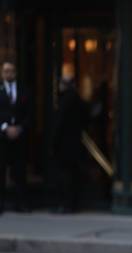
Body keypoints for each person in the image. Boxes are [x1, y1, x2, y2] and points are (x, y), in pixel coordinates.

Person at [53, 74, 89, 213]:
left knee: (66, 175)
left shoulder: (65, 100)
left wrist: (54, 141)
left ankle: (66, 204)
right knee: (73, 174)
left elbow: (59, 123)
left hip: (65, 144)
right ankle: (72, 203)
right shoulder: (78, 99)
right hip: (75, 142)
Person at [0, 61, 31, 214]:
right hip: (2, 136)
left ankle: (20, 203)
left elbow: (29, 113)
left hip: (19, 136)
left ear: (15, 72)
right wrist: (5, 127)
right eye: (6, 71)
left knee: (20, 171)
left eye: (11, 71)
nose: (8, 74)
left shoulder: (23, 90)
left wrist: (19, 128)